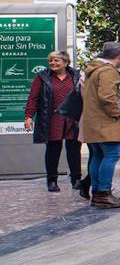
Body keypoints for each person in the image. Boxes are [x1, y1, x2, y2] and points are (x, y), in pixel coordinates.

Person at [80, 42, 120, 209]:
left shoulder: (92, 70)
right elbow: (108, 97)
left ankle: (97, 193)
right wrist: (119, 114)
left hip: (92, 123)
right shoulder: (108, 71)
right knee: (112, 155)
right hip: (106, 123)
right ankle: (104, 193)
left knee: (97, 156)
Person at [24, 50, 82, 193]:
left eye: (56, 61)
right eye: (51, 61)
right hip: (52, 118)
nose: (53, 63)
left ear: (66, 62)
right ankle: (52, 180)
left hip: (72, 118)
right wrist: (28, 116)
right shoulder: (42, 77)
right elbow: (33, 98)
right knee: (53, 150)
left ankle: (76, 179)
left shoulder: (76, 75)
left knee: (74, 150)